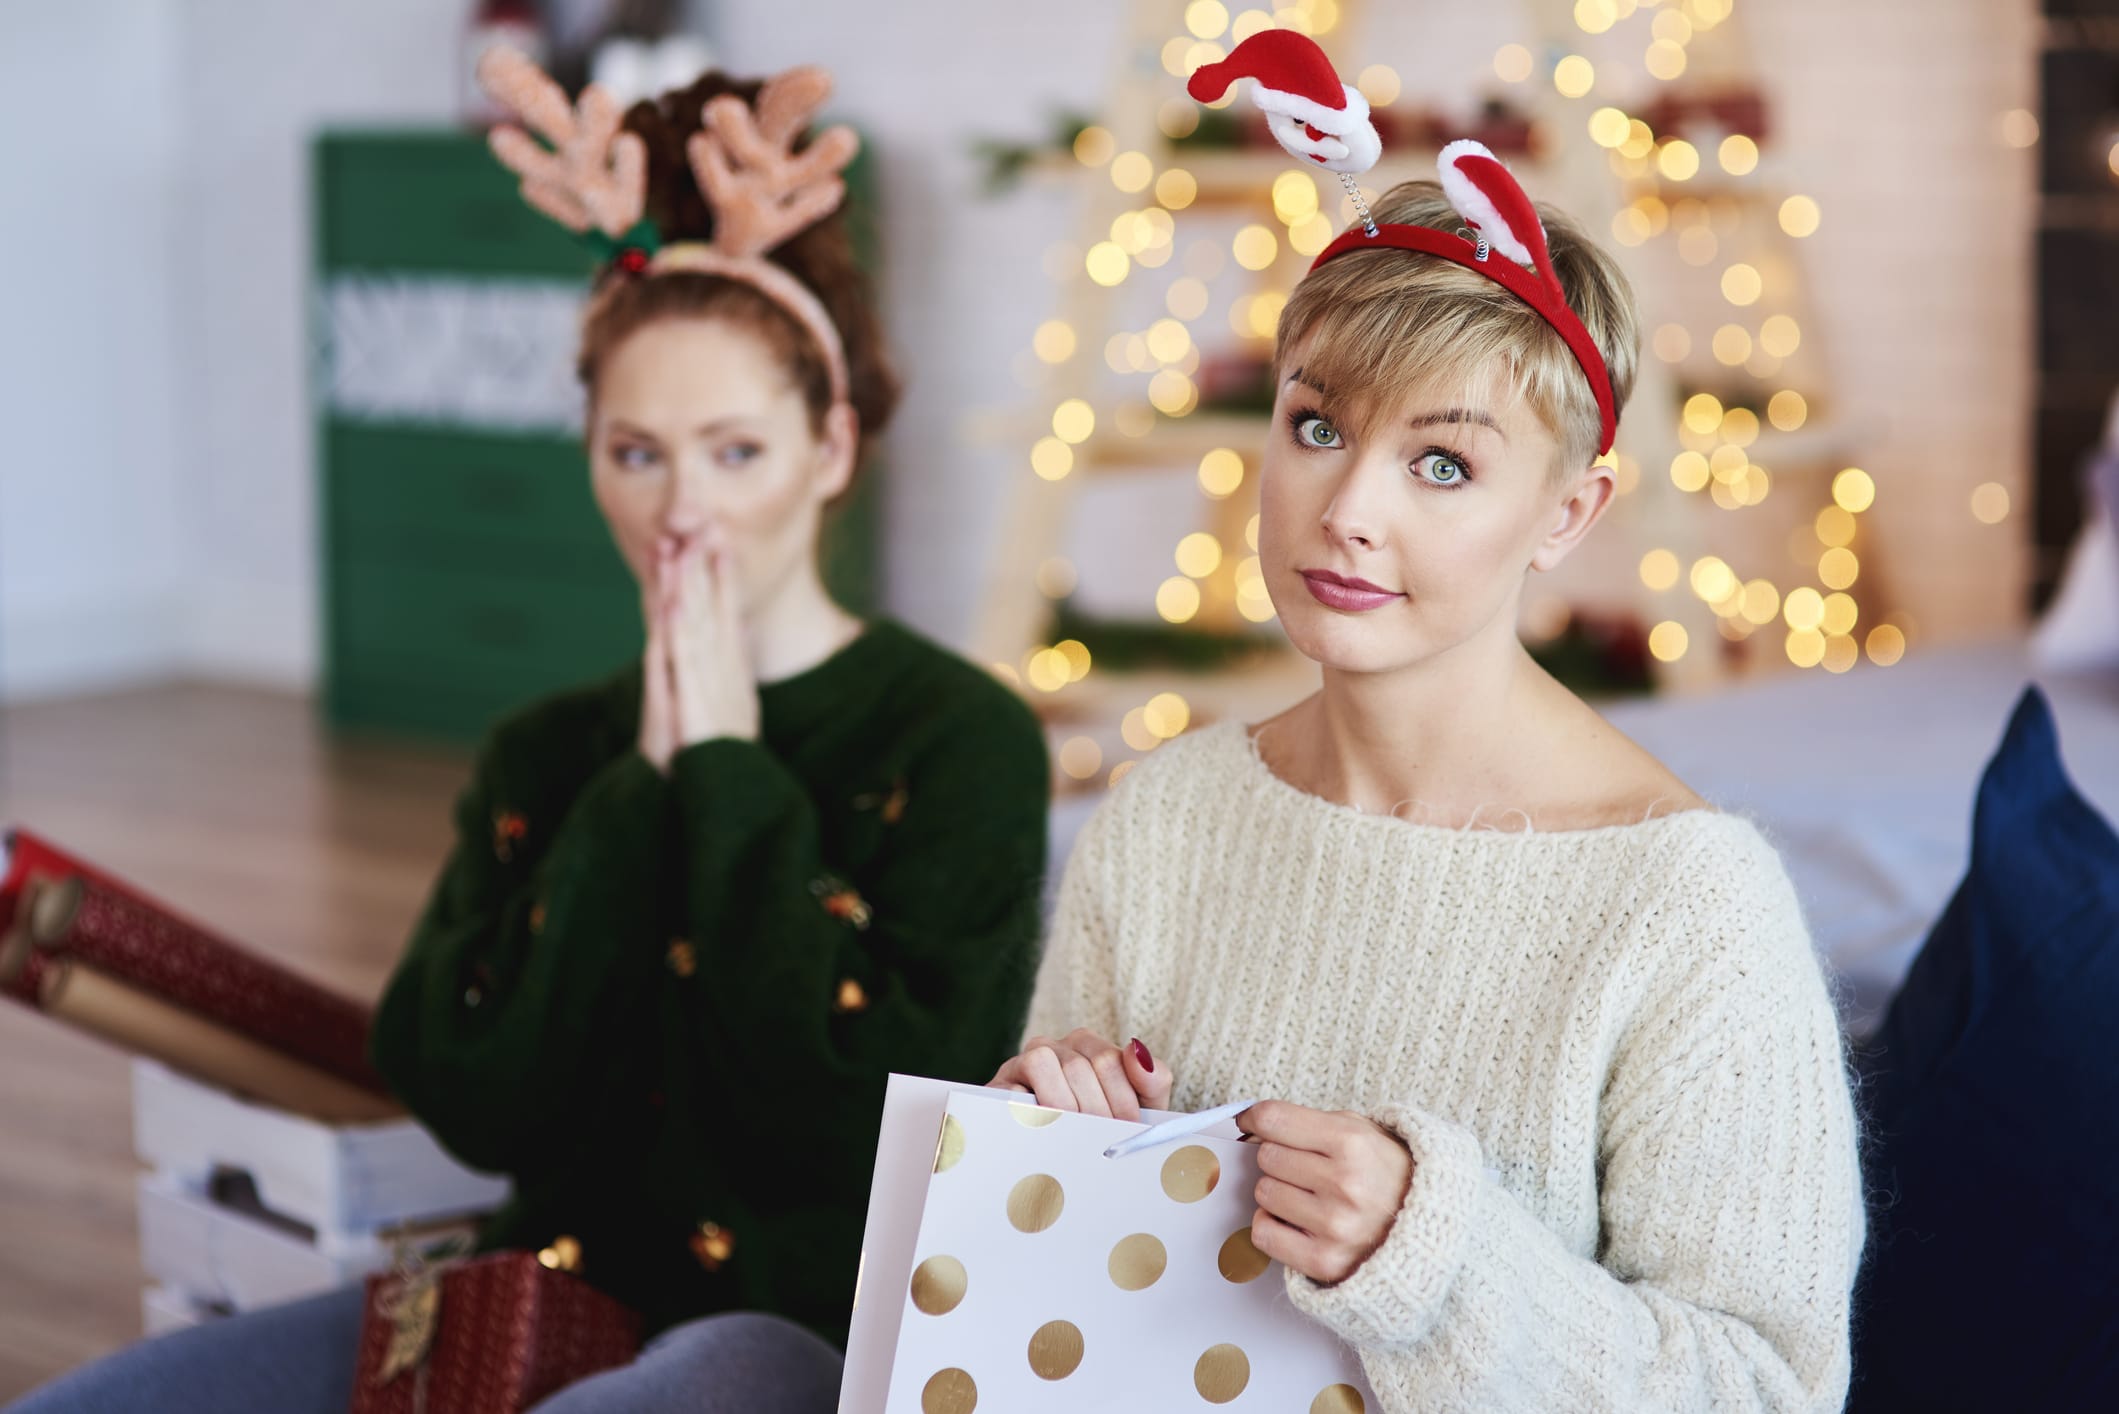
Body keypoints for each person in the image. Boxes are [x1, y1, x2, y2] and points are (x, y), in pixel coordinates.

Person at [9, 55, 1047, 1414]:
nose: (685, 507)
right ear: (593, 454)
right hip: (523, 1303)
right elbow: (471, 1092)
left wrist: (730, 777)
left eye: (735, 451)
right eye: (637, 451)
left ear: (832, 445)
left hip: (806, 1329)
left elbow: (856, 1124)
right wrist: (638, 795)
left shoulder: (960, 736)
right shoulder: (549, 750)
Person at [992, 104, 1863, 1414]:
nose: (1347, 512)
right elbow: (1036, 1330)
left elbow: (1764, 1390)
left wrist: (1434, 1256)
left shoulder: (1688, 905)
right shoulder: (1164, 818)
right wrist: (1030, 1156)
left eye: (1443, 461)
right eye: (1317, 425)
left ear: (1567, 513)